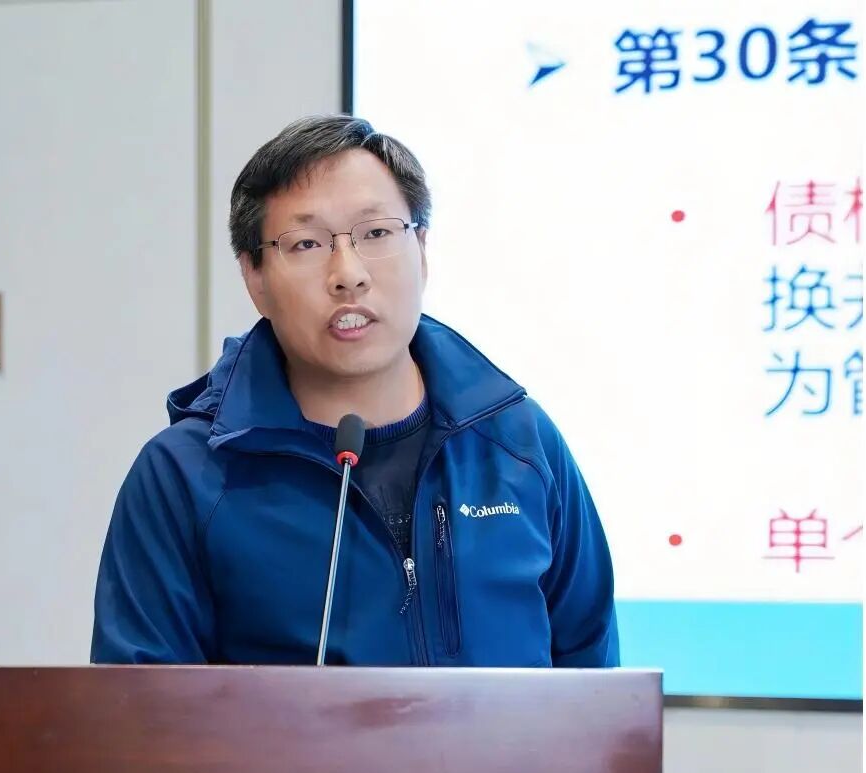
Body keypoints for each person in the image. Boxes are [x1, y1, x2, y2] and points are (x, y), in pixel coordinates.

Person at [90, 114, 618, 667]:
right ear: (254, 276)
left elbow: (594, 676)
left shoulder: (520, 442)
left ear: (422, 249)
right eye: (306, 243)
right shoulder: (186, 476)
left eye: (377, 233)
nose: (348, 273)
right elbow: (139, 707)